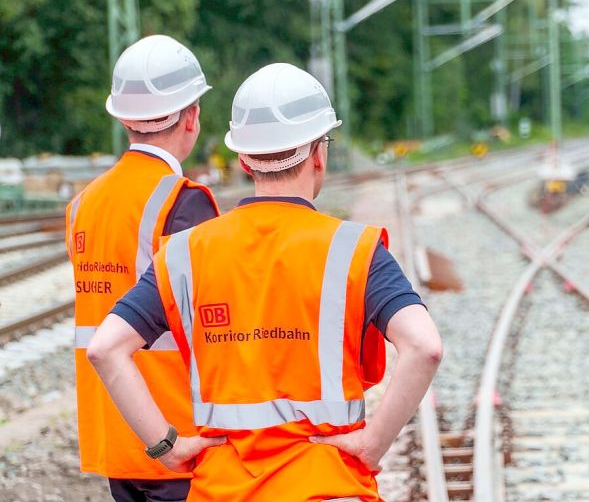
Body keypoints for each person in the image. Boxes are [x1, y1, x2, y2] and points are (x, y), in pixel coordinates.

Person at [86, 63, 443, 501]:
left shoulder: (183, 253)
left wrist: (167, 448)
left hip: (221, 490)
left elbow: (105, 349)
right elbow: (424, 347)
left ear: (243, 160)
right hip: (327, 487)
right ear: (318, 154)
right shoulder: (355, 250)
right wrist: (372, 445)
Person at [67, 34, 219, 501]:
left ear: (122, 118)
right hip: (176, 434)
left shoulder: (82, 203)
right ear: (191, 117)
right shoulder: (183, 202)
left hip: (117, 431)